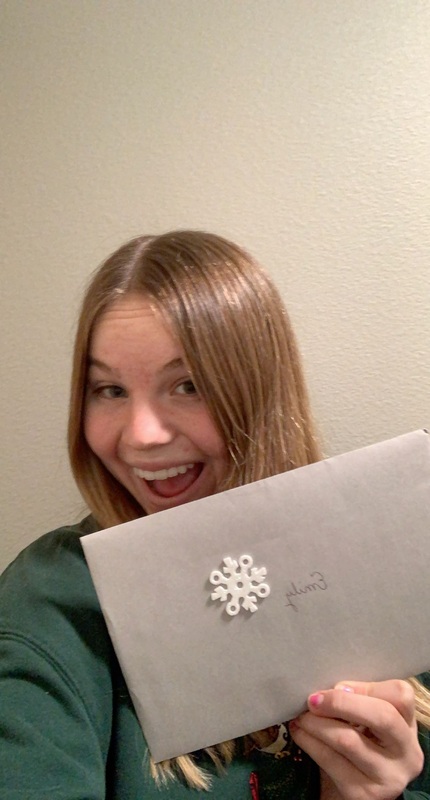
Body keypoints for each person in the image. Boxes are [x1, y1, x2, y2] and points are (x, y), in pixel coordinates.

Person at [0, 230, 429, 800]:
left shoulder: (381, 564)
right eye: (109, 389)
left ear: (260, 394)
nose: (142, 435)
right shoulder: (55, 603)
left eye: (188, 385)